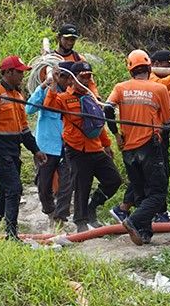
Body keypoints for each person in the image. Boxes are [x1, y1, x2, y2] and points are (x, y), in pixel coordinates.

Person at [110, 46, 170, 224]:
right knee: (154, 180)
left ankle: (140, 217)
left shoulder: (147, 86)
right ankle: (141, 215)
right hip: (148, 138)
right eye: (168, 66)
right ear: (154, 65)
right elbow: (161, 87)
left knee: (149, 177)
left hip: (150, 138)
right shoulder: (151, 81)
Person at [44, 60, 122, 232]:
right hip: (77, 150)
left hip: (96, 148)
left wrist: (107, 144)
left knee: (114, 180)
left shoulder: (91, 97)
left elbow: (97, 123)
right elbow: (49, 106)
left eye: (88, 77)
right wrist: (53, 86)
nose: (86, 80)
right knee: (81, 186)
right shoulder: (64, 98)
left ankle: (92, 206)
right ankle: (80, 222)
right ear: (73, 79)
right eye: (82, 77)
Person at [106, 50, 170, 246]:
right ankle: (133, 221)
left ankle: (144, 233)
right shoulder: (158, 89)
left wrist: (116, 134)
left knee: (140, 192)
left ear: (130, 70)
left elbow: (108, 108)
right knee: (158, 192)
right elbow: (168, 122)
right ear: (149, 68)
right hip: (149, 146)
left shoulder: (120, 88)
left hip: (128, 148)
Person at [0, 55, 47, 240]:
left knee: (6, 191)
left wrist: (36, 150)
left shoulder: (18, 95)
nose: (22, 76)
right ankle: (11, 233)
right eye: (19, 72)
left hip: (13, 151)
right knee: (14, 188)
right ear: (8, 72)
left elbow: (24, 129)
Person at [26, 60, 75, 231]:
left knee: (66, 184)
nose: (69, 82)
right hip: (46, 147)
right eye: (66, 78)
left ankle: (61, 219)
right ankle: (50, 212)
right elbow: (29, 110)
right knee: (43, 185)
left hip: (66, 146)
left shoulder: (71, 94)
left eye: (71, 78)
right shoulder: (46, 91)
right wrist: (44, 87)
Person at [52, 23, 99, 97]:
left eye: (72, 39)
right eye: (66, 39)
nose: (69, 42)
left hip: (74, 99)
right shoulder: (49, 59)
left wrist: (96, 98)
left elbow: (90, 82)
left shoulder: (79, 59)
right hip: (53, 97)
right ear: (58, 38)